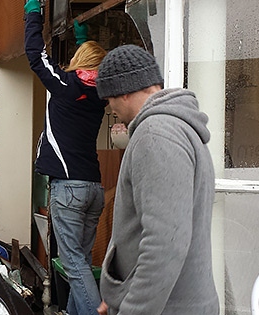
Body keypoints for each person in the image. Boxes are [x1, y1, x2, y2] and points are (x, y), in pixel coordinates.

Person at [95, 44, 219, 315]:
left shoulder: (156, 135)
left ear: (124, 90)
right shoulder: (177, 128)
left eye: (109, 98)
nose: (110, 108)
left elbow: (165, 242)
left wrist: (133, 308)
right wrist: (121, 297)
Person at [24, 0, 107, 315]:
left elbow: (35, 56)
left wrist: (33, 18)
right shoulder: (99, 94)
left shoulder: (65, 84)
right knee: (81, 263)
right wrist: (83, 41)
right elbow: (89, 73)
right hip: (93, 189)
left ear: (79, 62)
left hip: (68, 188)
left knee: (73, 264)